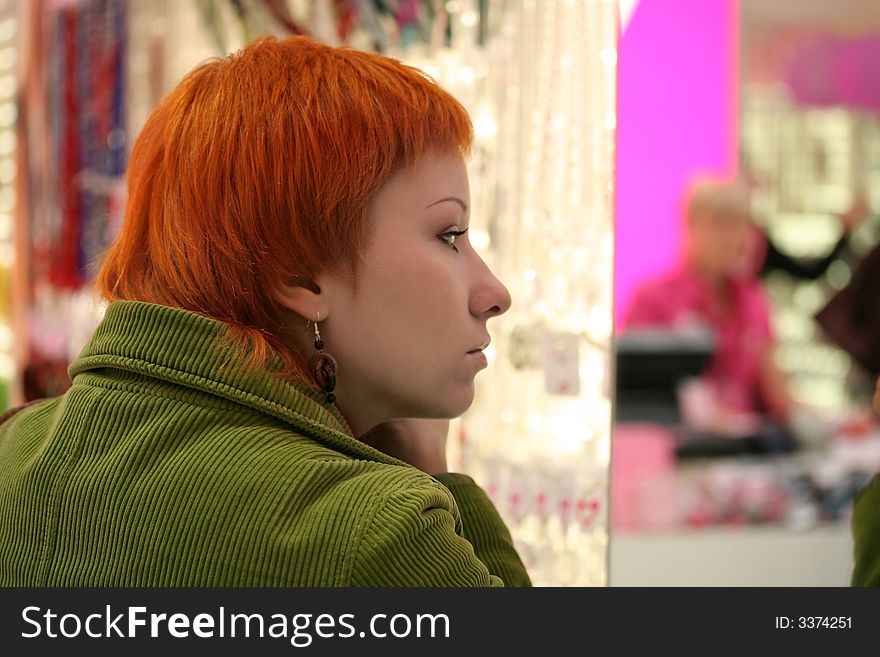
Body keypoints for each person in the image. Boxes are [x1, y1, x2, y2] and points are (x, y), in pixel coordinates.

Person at [0, 36, 531, 587]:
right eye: (449, 235)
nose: (493, 293)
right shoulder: (372, 533)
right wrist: (439, 482)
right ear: (297, 274)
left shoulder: (12, 453)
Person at [623, 176, 794, 439]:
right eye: (721, 224)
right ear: (690, 225)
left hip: (746, 453)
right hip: (678, 452)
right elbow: (639, 400)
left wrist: (827, 424)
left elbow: (778, 395)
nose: (735, 237)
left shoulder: (753, 299)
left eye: (743, 224)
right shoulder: (652, 299)